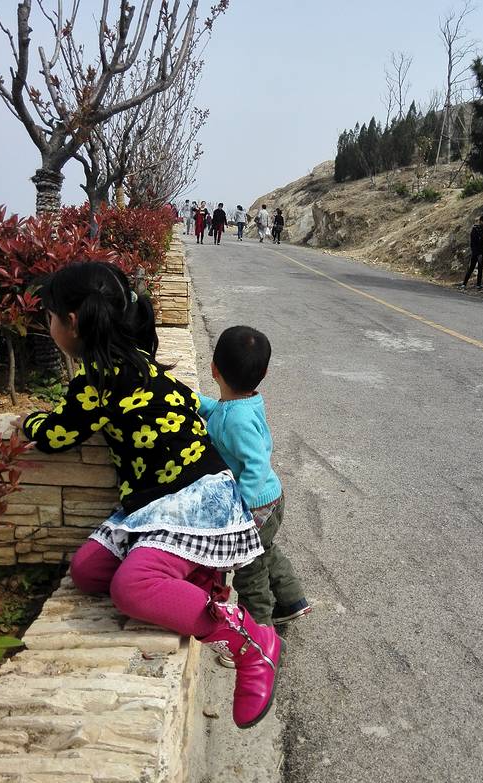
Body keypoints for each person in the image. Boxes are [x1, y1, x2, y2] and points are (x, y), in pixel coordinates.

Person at [19, 262, 283, 729]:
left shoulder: (95, 382)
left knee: (130, 586)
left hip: (197, 500)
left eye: (51, 316)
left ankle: (250, 643)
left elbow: (55, 435)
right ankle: (201, 585)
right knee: (87, 571)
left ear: (73, 322)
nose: (50, 324)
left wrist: (30, 422)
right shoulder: (140, 363)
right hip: (155, 502)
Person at [198, 326, 311, 640]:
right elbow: (218, 410)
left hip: (256, 505)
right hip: (269, 500)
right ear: (262, 373)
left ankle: (256, 637)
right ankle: (291, 600)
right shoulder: (242, 405)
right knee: (265, 552)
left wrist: (240, 507)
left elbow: (256, 464)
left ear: (213, 369)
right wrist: (193, 400)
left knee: (249, 572)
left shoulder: (237, 419)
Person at [459, 214, 483, 290]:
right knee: (472, 267)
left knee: (480, 268)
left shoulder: (482, 229)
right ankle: (464, 284)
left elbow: (481, 242)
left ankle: (478, 284)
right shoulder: (475, 229)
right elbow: (474, 242)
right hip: (476, 252)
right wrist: (478, 253)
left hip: (481, 251)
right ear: (481, 221)